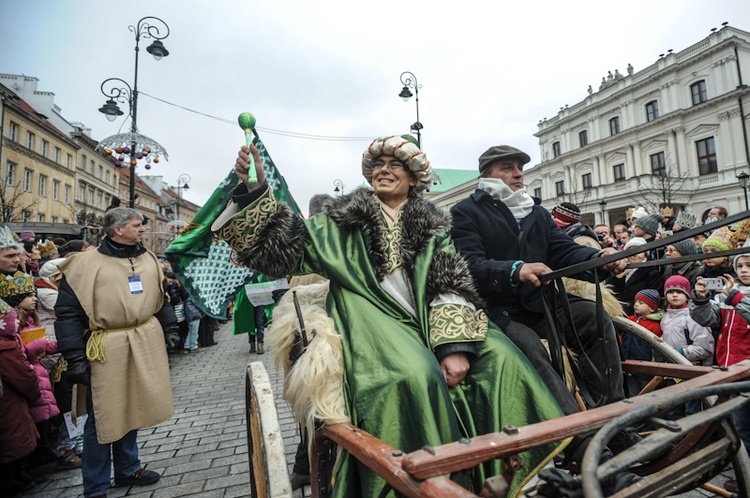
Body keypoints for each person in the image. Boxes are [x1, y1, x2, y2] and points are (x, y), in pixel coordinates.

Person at [213, 136, 568, 496]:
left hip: (430, 318)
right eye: (378, 164)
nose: (384, 169)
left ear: (414, 178)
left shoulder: (433, 225)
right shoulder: (339, 221)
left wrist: (454, 346)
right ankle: (425, 483)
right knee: (414, 376)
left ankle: (515, 476)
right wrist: (255, 189)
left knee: (504, 358)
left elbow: (449, 279)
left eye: (395, 164)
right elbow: (281, 248)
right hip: (370, 317)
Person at [449, 145, 639, 463]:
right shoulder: (466, 212)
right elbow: (468, 264)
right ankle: (579, 442)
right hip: (495, 313)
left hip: (540, 305)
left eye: (520, 167)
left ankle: (612, 420)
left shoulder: (536, 212)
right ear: (487, 174)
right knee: (529, 348)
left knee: (593, 316)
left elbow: (563, 250)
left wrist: (600, 258)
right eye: (507, 167)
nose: (518, 173)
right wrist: (515, 269)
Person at [55, 208, 176, 498]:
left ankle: (128, 468)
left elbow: (162, 297)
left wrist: (170, 327)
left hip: (144, 339)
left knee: (133, 407)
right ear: (118, 230)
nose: (143, 230)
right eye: (137, 225)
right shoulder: (83, 265)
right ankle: (95, 487)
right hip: (106, 345)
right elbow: (67, 315)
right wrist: (74, 357)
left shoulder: (147, 258)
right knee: (104, 416)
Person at [691, 248, 750, 494]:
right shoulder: (728, 294)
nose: (744, 270)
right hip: (730, 369)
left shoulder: (734, 295)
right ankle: (745, 470)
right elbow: (708, 319)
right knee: (740, 426)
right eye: (741, 266)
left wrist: (735, 297)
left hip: (747, 370)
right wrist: (701, 298)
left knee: (746, 426)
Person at [622, 289, 664, 396]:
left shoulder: (656, 326)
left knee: (647, 392)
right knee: (632, 392)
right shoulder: (629, 319)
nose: (636, 305)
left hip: (646, 366)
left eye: (641, 303)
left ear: (652, 308)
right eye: (635, 302)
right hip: (628, 363)